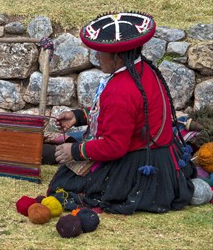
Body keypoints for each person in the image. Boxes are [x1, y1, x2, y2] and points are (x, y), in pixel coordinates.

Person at [47, 12, 195, 214]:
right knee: (64, 151)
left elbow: (114, 146)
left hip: (139, 163)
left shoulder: (120, 90)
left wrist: (74, 152)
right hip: (160, 156)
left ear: (118, 56)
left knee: (65, 182)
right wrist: (79, 116)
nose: (97, 56)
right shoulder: (143, 68)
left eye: (101, 52)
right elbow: (124, 115)